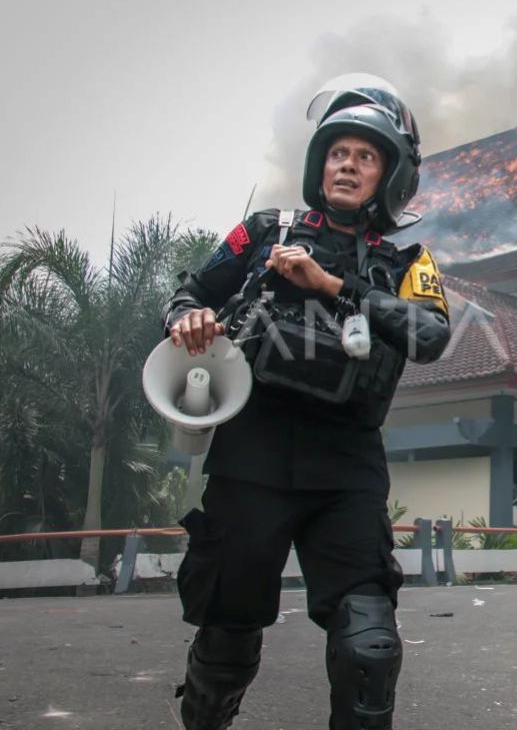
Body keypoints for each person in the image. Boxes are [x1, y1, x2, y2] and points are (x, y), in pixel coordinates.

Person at [162, 75, 450, 730]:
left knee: (368, 646)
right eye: (337, 153)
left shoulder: (410, 260)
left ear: (391, 173)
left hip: (346, 467)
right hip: (251, 456)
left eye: (365, 155)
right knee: (227, 634)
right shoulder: (265, 231)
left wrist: (331, 284)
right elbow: (183, 298)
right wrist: (189, 321)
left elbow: (429, 336)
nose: (347, 164)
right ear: (320, 164)